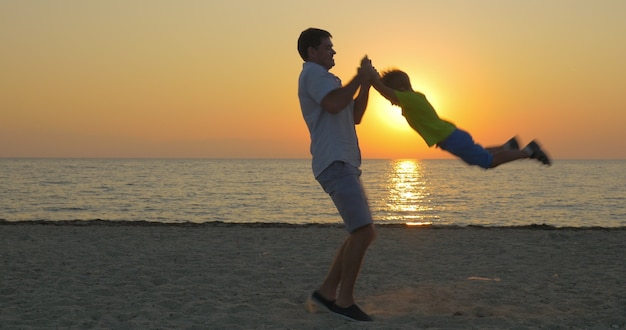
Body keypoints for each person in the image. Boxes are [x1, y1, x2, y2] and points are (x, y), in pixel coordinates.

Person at [297, 28, 376, 322]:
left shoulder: (330, 80)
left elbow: (354, 114)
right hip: (335, 163)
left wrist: (365, 84)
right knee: (364, 231)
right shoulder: (313, 75)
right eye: (328, 47)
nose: (333, 52)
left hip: (343, 163)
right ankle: (343, 301)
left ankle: (326, 293)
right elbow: (333, 103)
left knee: (360, 231)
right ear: (312, 52)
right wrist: (359, 76)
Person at [362, 65, 551, 168]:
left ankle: (528, 151)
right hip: (453, 136)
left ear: (401, 89)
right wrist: (375, 79)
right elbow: (387, 92)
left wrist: (371, 77)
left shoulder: (409, 99)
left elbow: (385, 92)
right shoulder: (415, 97)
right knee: (478, 156)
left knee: (487, 162)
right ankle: (507, 147)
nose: (392, 103)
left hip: (451, 138)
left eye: (394, 98)